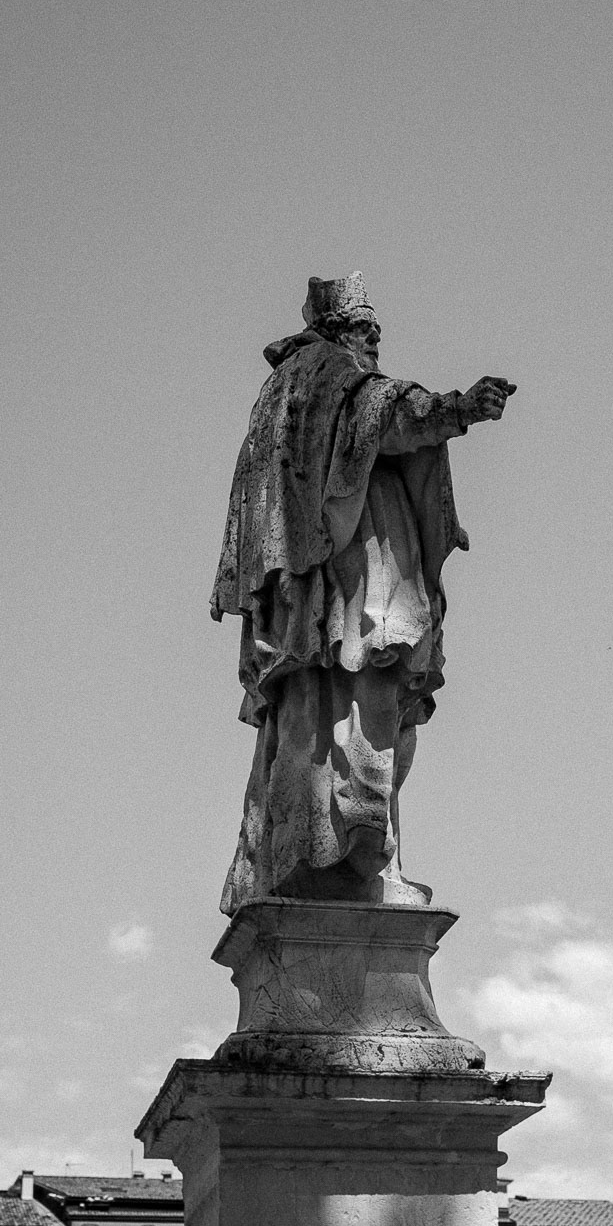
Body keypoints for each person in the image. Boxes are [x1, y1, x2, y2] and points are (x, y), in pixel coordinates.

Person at [211, 272, 514, 913]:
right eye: (367, 333)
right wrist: (460, 407)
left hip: (307, 598)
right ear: (341, 330)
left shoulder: (280, 395)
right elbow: (388, 414)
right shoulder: (330, 379)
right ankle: (351, 851)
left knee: (316, 720)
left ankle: (310, 853)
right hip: (354, 575)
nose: (374, 346)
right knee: (366, 700)